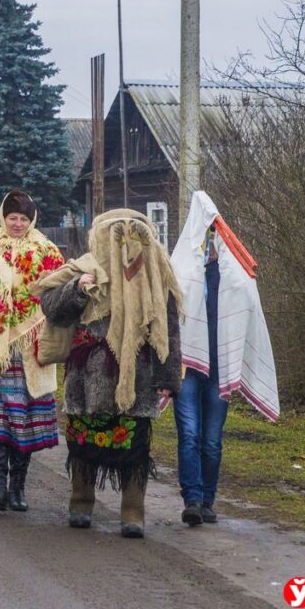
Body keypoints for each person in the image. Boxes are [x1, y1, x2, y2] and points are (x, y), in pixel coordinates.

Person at [34, 209, 182, 539]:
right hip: (87, 376)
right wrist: (77, 289)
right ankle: (81, 503)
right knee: (84, 443)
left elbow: (168, 331)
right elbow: (51, 309)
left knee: (134, 448)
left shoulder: (156, 276)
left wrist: (168, 381)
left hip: (137, 378)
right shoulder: (84, 268)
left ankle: (133, 513)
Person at [170, 191, 279, 526]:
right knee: (189, 433)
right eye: (205, 237)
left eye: (214, 237)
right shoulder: (180, 268)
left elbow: (248, 309)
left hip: (220, 365)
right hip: (188, 366)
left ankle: (208, 500)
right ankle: (192, 499)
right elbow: (167, 315)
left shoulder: (235, 273)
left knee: (212, 439)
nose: (209, 244)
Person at [0, 190, 64, 512]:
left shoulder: (47, 253)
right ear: (2, 218)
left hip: (30, 348)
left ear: (31, 219)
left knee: (23, 419)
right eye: (12, 218)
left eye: (22, 218)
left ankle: (19, 487)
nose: (17, 224)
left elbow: (57, 301)